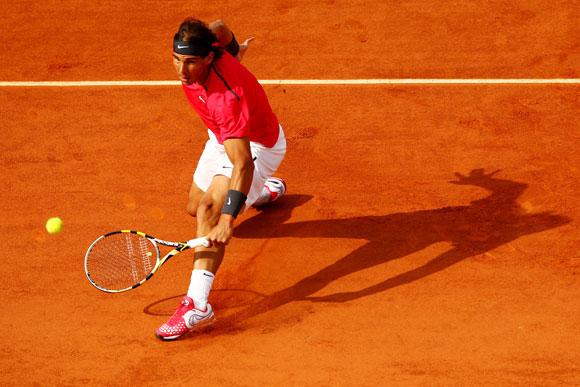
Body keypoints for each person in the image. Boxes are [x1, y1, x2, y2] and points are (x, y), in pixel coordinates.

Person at [155, 18, 287, 340]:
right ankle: (259, 194)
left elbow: (242, 164)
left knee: (210, 211)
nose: (182, 70)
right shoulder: (210, 43)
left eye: (190, 63)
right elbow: (221, 25)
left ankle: (197, 304)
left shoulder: (225, 100)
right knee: (194, 206)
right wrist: (234, 50)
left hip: (255, 146)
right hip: (221, 137)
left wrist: (228, 219)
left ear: (208, 59)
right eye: (177, 59)